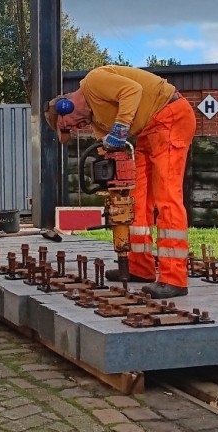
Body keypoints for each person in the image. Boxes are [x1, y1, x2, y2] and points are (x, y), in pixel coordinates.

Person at [44, 65, 196, 299]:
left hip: (169, 116)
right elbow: (109, 151)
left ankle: (174, 279)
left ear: (66, 106)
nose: (75, 129)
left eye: (68, 126)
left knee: (167, 198)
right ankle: (139, 268)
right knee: (135, 201)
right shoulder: (96, 121)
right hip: (147, 131)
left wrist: (121, 127)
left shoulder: (94, 81)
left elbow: (132, 91)